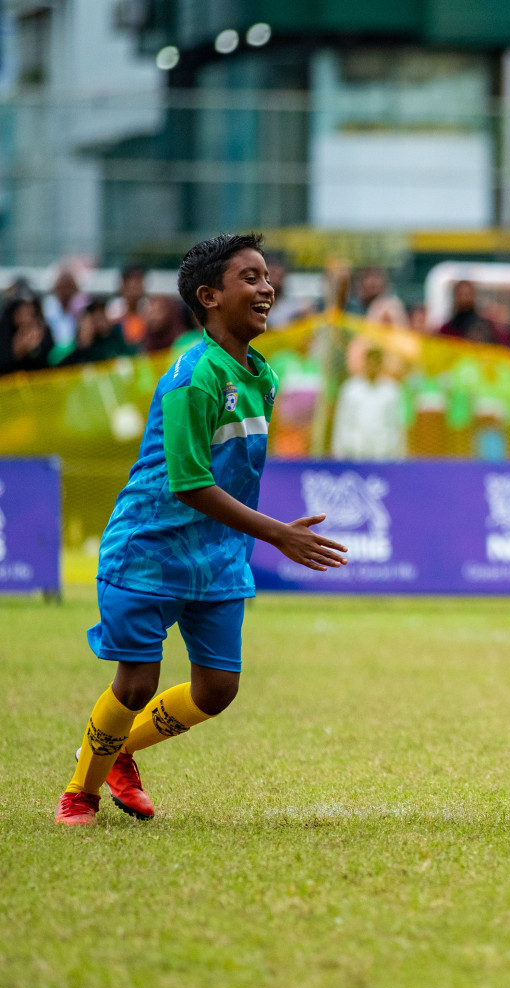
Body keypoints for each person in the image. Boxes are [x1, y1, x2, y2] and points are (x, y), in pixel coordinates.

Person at [54, 234, 348, 826]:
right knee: (136, 682)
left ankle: (118, 753)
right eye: (251, 278)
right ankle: (78, 791)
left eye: (267, 277)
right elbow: (188, 483)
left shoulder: (261, 376)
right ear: (210, 297)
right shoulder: (194, 376)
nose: (267, 288)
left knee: (218, 690)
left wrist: (251, 538)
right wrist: (278, 535)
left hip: (216, 553)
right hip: (150, 547)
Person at [331, 346, 405, 460]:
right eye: (371, 363)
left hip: (382, 453)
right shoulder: (351, 389)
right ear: (365, 363)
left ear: (381, 365)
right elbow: (342, 421)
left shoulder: (391, 390)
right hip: (354, 452)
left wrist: (398, 454)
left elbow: (396, 424)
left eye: (377, 363)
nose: (373, 367)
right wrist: (338, 452)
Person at [58, 299, 135, 366]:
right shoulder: (73, 346)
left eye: (102, 315)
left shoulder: (118, 339)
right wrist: (84, 343)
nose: (100, 322)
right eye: (96, 318)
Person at [0, 290, 55, 375]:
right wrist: (16, 353)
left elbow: (48, 364)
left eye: (31, 314)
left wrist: (35, 351)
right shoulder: (4, 335)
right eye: (22, 314)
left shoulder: (44, 333)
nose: (27, 319)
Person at [439, 280, 504, 346]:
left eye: (466, 294)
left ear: (473, 295)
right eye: (460, 294)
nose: (463, 298)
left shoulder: (483, 326)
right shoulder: (446, 328)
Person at [108, 266, 148, 348]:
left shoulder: (148, 305)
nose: (134, 292)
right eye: (131, 288)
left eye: (137, 286)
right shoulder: (115, 305)